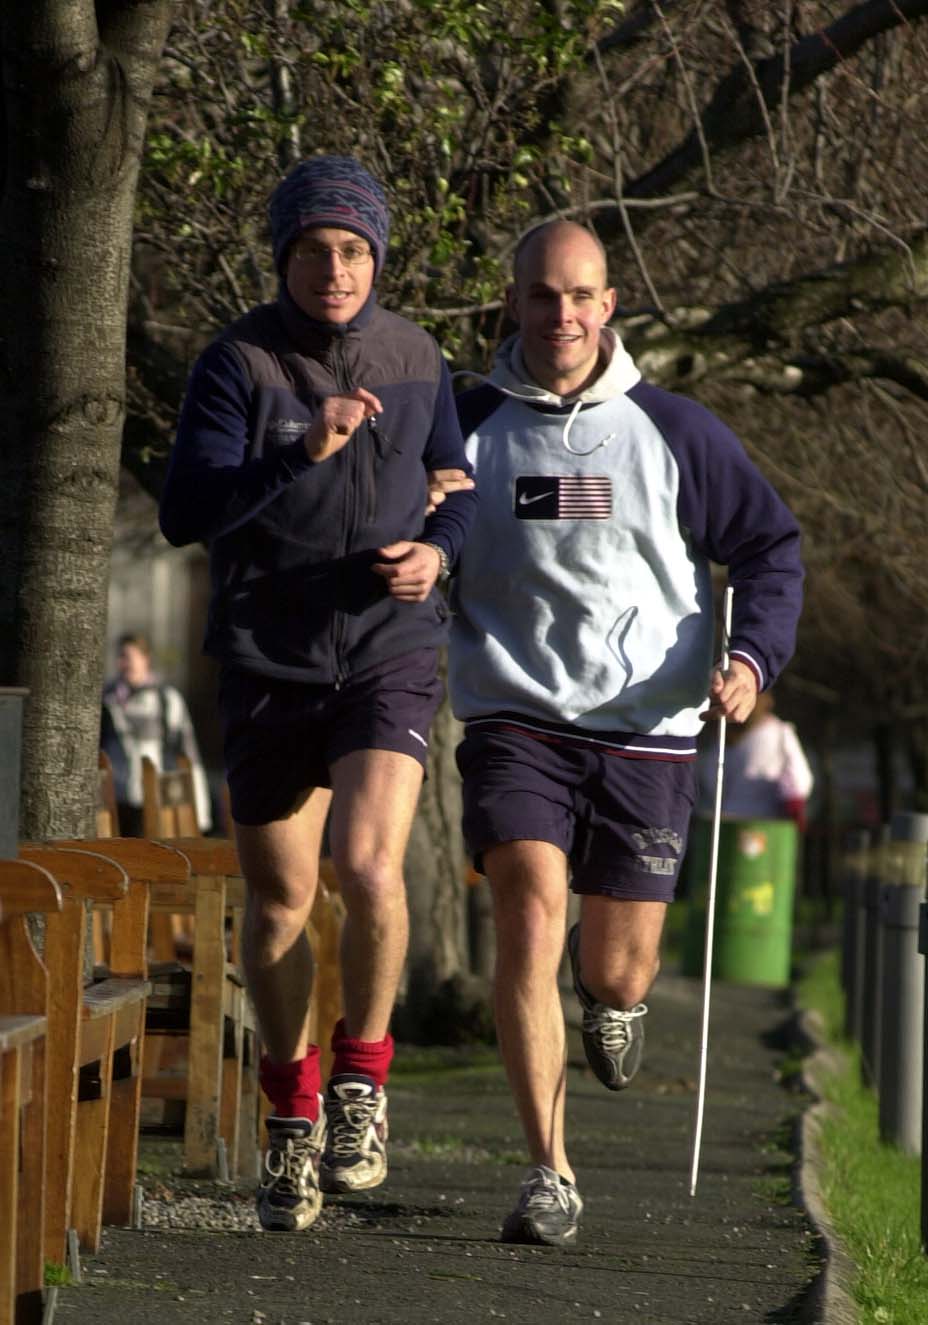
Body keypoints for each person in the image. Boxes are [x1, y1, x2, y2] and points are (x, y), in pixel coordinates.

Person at [447, 220, 804, 1246]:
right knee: (528, 905)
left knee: (617, 966)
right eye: (542, 295)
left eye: (581, 295)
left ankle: (614, 1002)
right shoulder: (464, 426)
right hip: (517, 714)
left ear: (609, 306)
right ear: (510, 303)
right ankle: (548, 1169)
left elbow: (770, 546)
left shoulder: (676, 430)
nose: (562, 314)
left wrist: (749, 662)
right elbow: (408, 525)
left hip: (647, 726)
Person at [158, 155, 477, 1233]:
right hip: (266, 652)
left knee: (368, 862)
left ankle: (360, 1087)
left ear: (377, 258)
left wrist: (437, 551)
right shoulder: (236, 362)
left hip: (388, 642)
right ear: (285, 258)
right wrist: (303, 443)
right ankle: (289, 1121)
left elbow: (460, 487)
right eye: (314, 251)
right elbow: (187, 510)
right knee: (286, 902)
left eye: (353, 250)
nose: (335, 269)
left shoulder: (418, 354)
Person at [100, 632, 213, 835]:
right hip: (114, 803)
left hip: (154, 801)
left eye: (128, 656)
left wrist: (200, 814)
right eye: (119, 657)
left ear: (146, 658)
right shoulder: (106, 699)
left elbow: (187, 758)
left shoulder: (166, 700)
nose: (122, 664)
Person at [696, 689, 814, 831]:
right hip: (748, 821)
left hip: (748, 821)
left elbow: (712, 780)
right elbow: (800, 777)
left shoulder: (778, 733)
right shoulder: (779, 733)